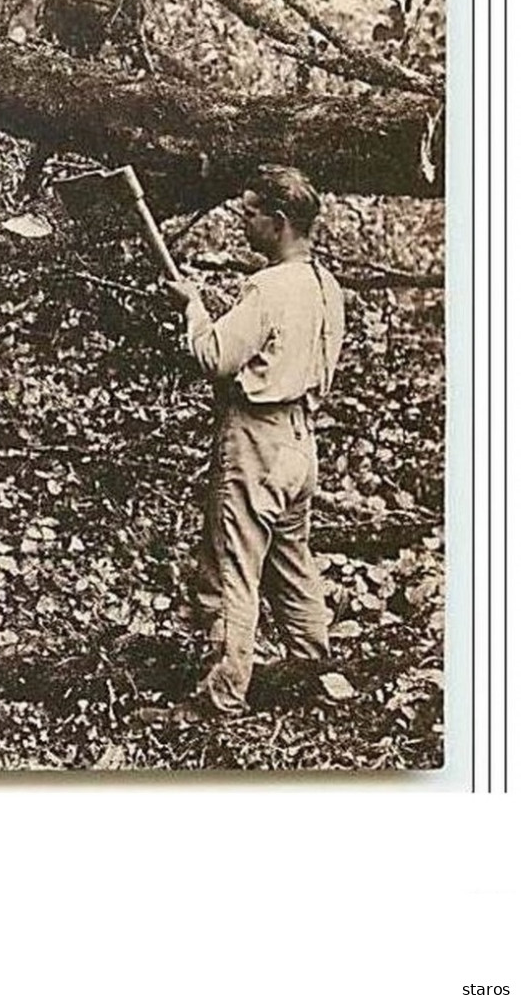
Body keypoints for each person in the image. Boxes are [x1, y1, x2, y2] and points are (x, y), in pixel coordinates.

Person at [159, 164, 346, 719]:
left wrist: (192, 307)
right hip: (300, 441)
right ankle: (315, 667)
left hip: (258, 438)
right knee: (292, 561)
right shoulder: (324, 285)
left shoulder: (268, 286)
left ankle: (222, 694)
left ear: (279, 222)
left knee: (236, 565)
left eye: (250, 215)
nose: (244, 224)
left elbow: (216, 356)